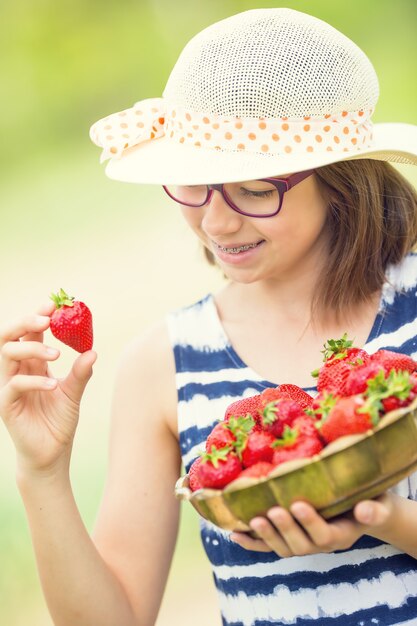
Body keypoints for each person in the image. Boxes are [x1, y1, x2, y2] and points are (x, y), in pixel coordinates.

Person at [1, 7, 417, 626]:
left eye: (254, 190)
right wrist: (42, 472)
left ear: (341, 179)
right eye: (193, 184)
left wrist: (387, 522)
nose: (217, 223)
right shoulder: (162, 365)